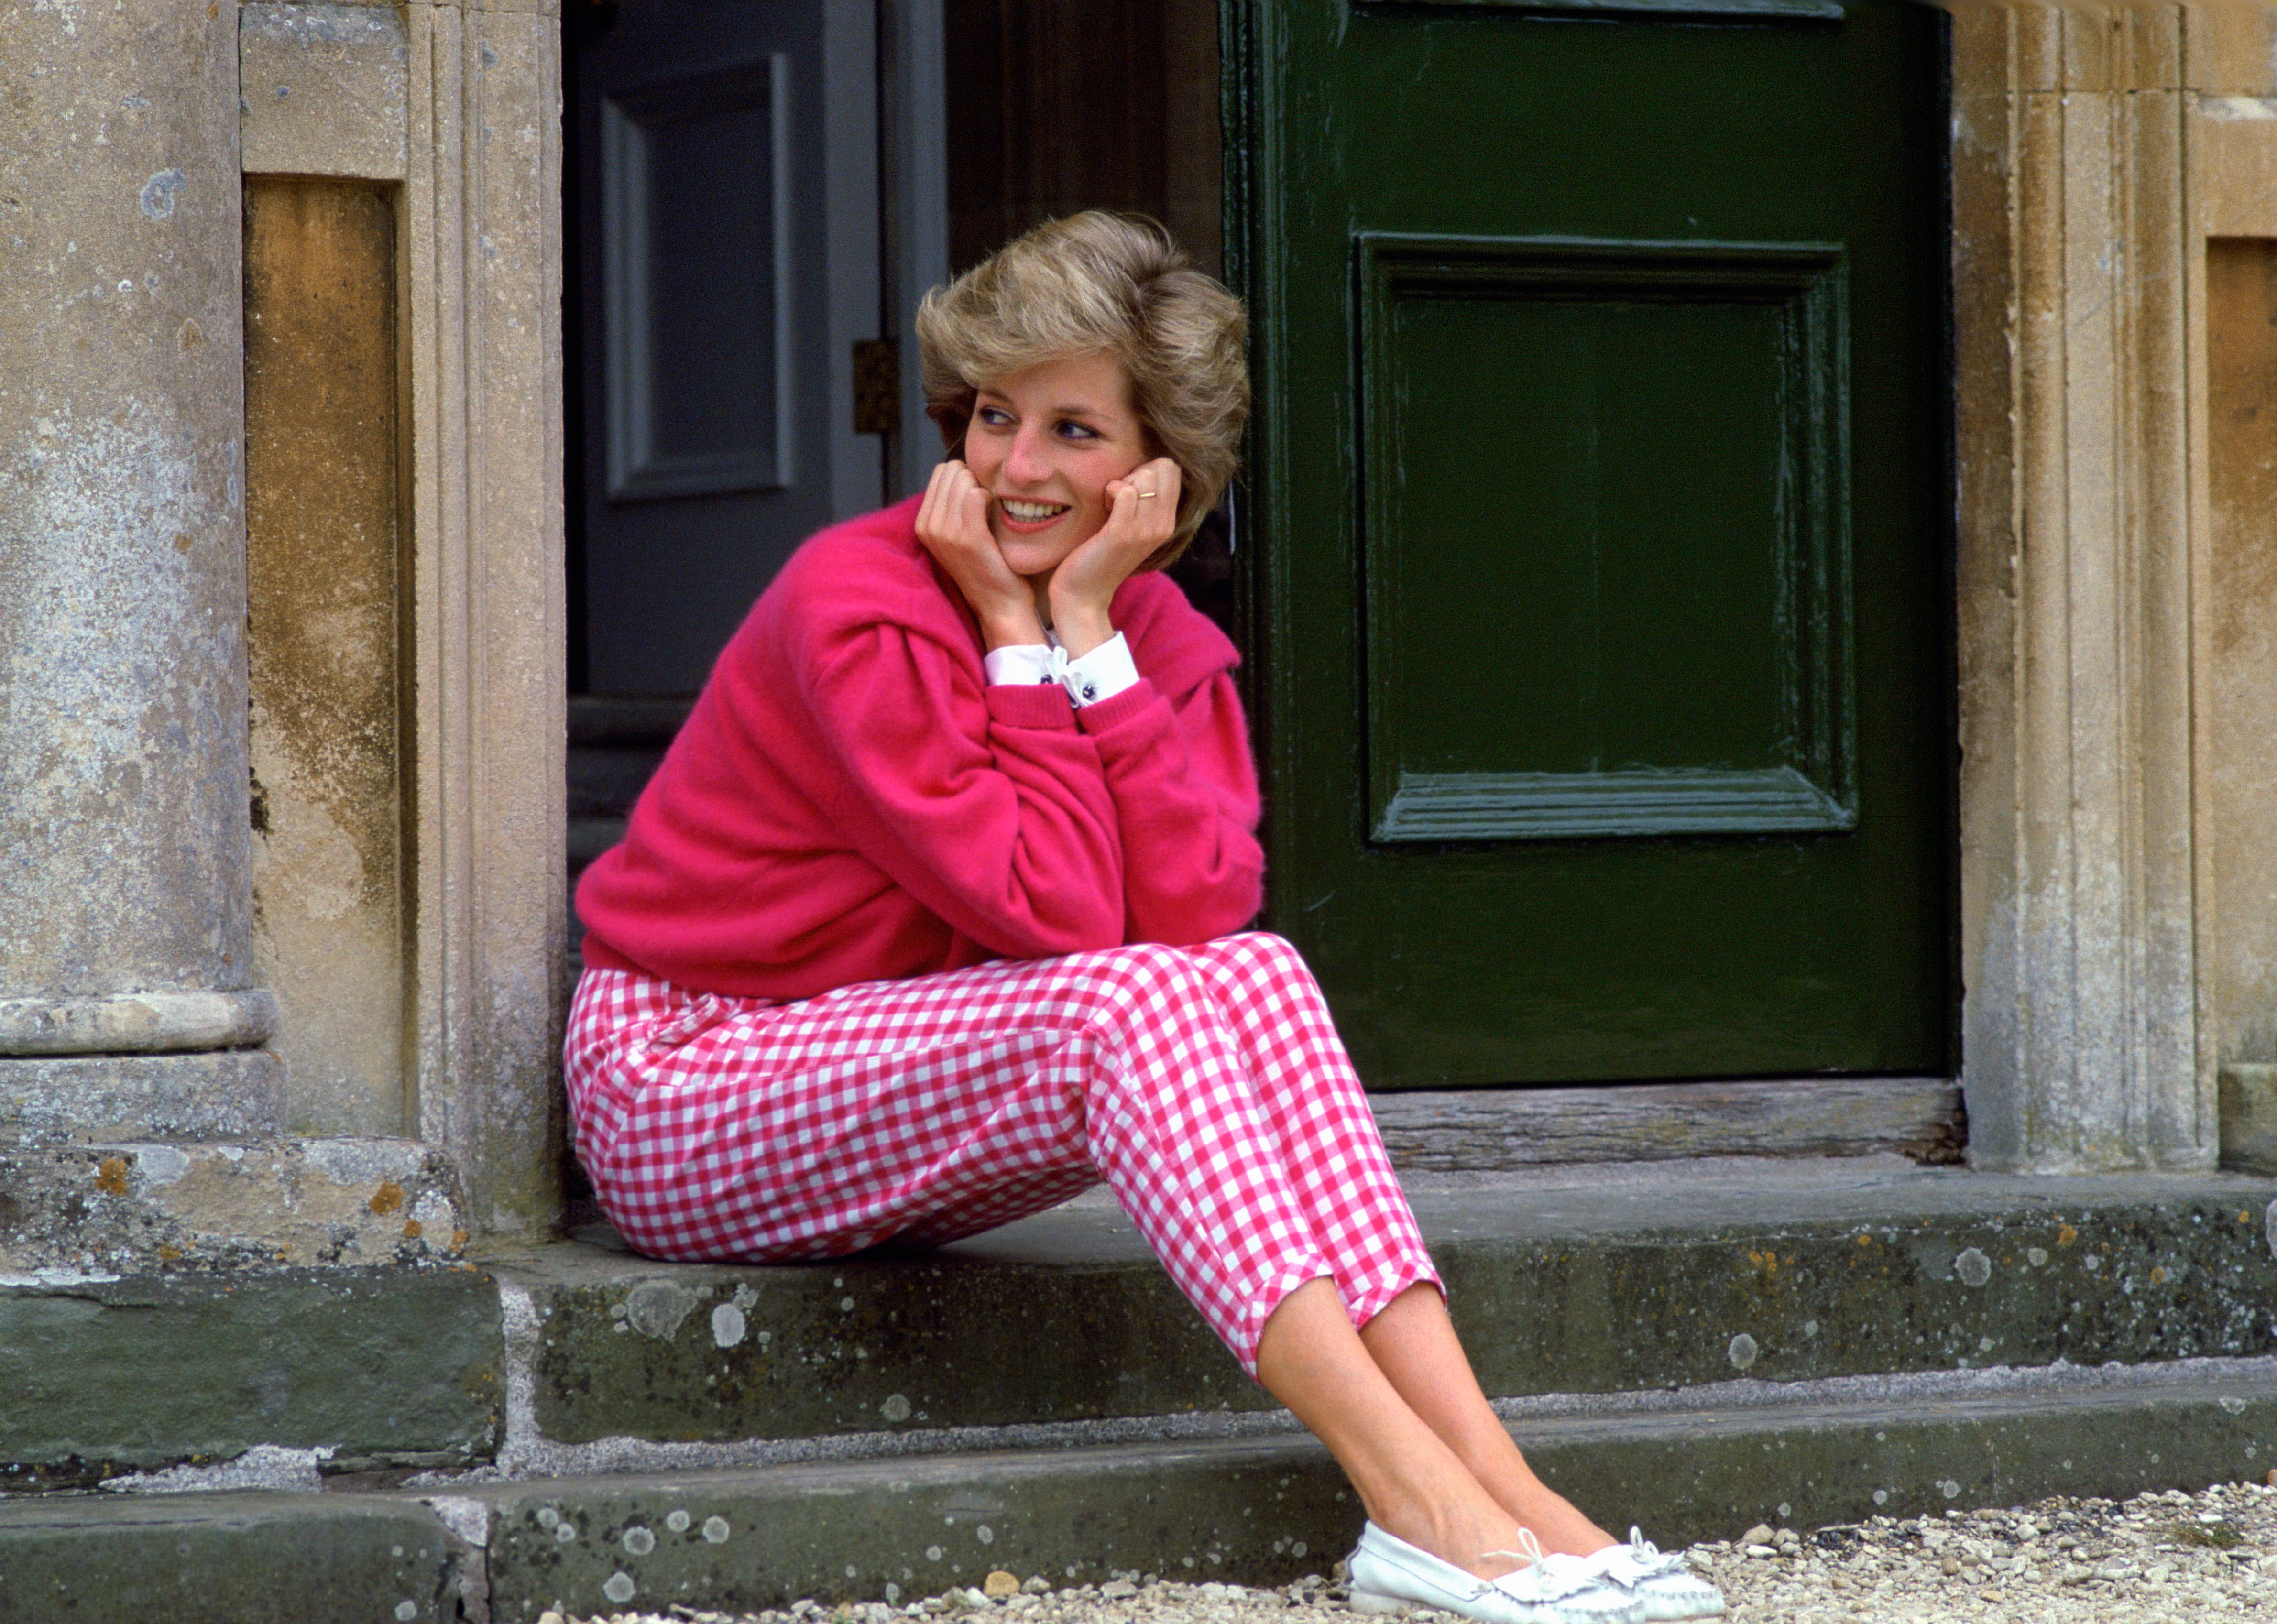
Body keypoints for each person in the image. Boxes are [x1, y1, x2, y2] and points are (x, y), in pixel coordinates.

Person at [566, 212, 1723, 1624]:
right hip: (687, 1080)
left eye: (1075, 431)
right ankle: (1412, 1505)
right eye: (996, 416)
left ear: (1159, 469)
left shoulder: (1152, 640)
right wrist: (1015, 636)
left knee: (1259, 972)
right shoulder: (858, 608)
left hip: (892, 1070)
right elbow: (1054, 914)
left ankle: (1506, 1490)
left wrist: (1088, 636)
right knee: (1139, 1001)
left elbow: (1197, 915)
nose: (1019, 468)